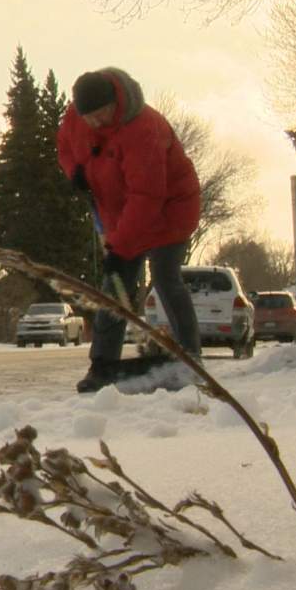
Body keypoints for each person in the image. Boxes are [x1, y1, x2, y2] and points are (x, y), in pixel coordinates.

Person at [57, 67, 202, 393]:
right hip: (119, 211)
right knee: (115, 288)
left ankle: (190, 357)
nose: (93, 122)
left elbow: (146, 198)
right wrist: (74, 171)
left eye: (100, 115)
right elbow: (65, 144)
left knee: (165, 277)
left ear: (114, 104)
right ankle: (102, 364)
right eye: (87, 116)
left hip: (169, 210)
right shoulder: (77, 116)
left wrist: (119, 247)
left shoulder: (144, 130)